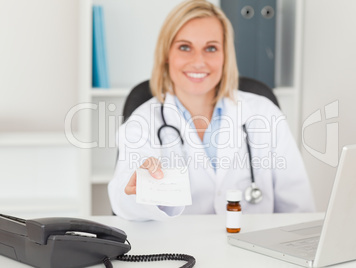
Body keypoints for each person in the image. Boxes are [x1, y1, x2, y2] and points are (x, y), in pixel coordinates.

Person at [108, 0, 315, 221]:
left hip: (254, 252)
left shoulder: (264, 113)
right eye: (185, 47)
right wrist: (136, 191)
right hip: (180, 252)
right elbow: (122, 198)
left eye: (211, 48)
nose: (198, 61)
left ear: (225, 56)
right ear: (167, 54)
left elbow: (299, 209)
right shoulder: (143, 121)